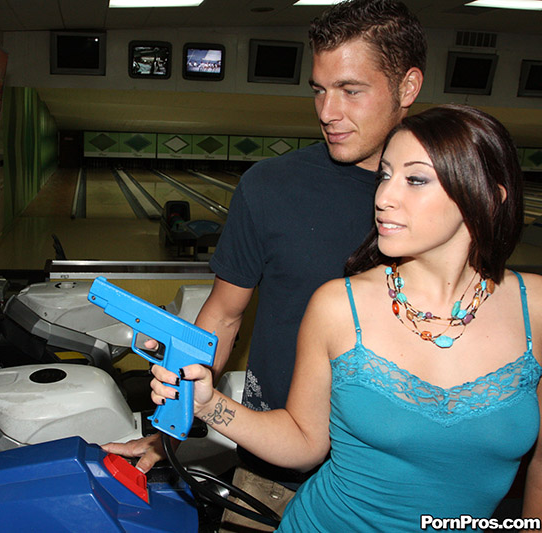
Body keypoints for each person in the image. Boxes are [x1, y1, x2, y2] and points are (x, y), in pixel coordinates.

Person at [103, 0, 426, 523]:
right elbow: (224, 315)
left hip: (395, 483)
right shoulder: (270, 187)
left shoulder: (446, 203)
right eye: (319, 90)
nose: (327, 112)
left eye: (350, 90)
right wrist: (169, 434)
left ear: (407, 87)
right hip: (271, 471)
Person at [150, 104, 542, 532]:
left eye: (415, 179)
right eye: (385, 176)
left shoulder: (536, 308)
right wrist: (208, 404)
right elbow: (304, 444)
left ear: (488, 196)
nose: (384, 198)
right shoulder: (338, 305)